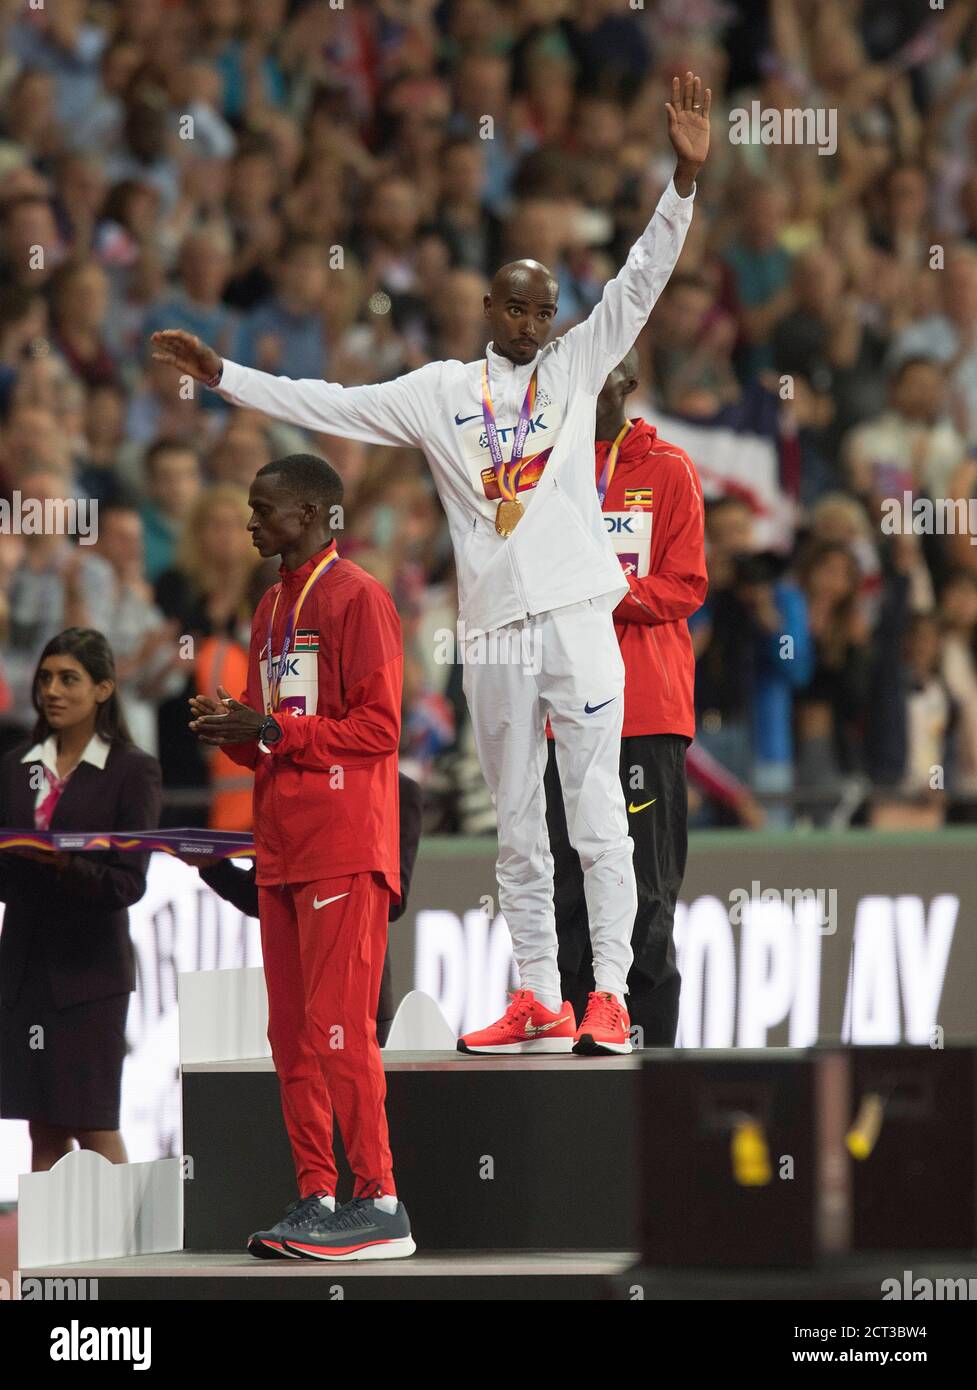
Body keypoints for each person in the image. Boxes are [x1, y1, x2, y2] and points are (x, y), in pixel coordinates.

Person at [153, 72, 711, 1058]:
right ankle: (538, 990)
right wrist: (224, 378)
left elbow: (639, 280)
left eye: (546, 312)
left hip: (582, 617)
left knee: (596, 819)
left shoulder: (578, 369)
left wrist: (681, 181)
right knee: (512, 827)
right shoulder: (437, 392)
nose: (533, 325)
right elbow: (327, 401)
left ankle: (610, 995)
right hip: (492, 629)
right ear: (489, 306)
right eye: (518, 307)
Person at [187, 453, 412, 1261]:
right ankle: (319, 1193)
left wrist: (275, 730)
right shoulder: (270, 607)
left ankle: (379, 1198)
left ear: (316, 514)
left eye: (263, 508)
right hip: (280, 848)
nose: (250, 521)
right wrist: (238, 730)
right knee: (290, 1033)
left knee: (339, 1028)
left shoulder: (360, 598)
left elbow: (381, 728)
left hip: (343, 846)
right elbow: (272, 739)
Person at [545, 350, 707, 1049]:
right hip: (564, 714)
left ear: (626, 383)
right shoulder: (548, 473)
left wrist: (606, 593)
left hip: (642, 712)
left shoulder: (665, 469)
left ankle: (646, 1068)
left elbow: (685, 585)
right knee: (567, 896)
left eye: (597, 373)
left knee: (644, 895)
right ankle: (574, 1048)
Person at [0, 628, 161, 1170]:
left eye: (69, 679)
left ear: (103, 689)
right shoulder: (15, 765)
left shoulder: (132, 770)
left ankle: (127, 1254)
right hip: (24, 969)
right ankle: (47, 1257)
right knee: (41, 1130)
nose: (53, 690)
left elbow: (129, 883)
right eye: (45, 678)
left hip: (91, 977)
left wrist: (66, 865)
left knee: (94, 1125)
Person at [192, 772, 423, 1044]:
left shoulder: (397, 789)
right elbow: (266, 898)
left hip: (357, 992)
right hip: (292, 989)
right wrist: (215, 869)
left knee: (356, 1084)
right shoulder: (286, 782)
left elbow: (393, 903)